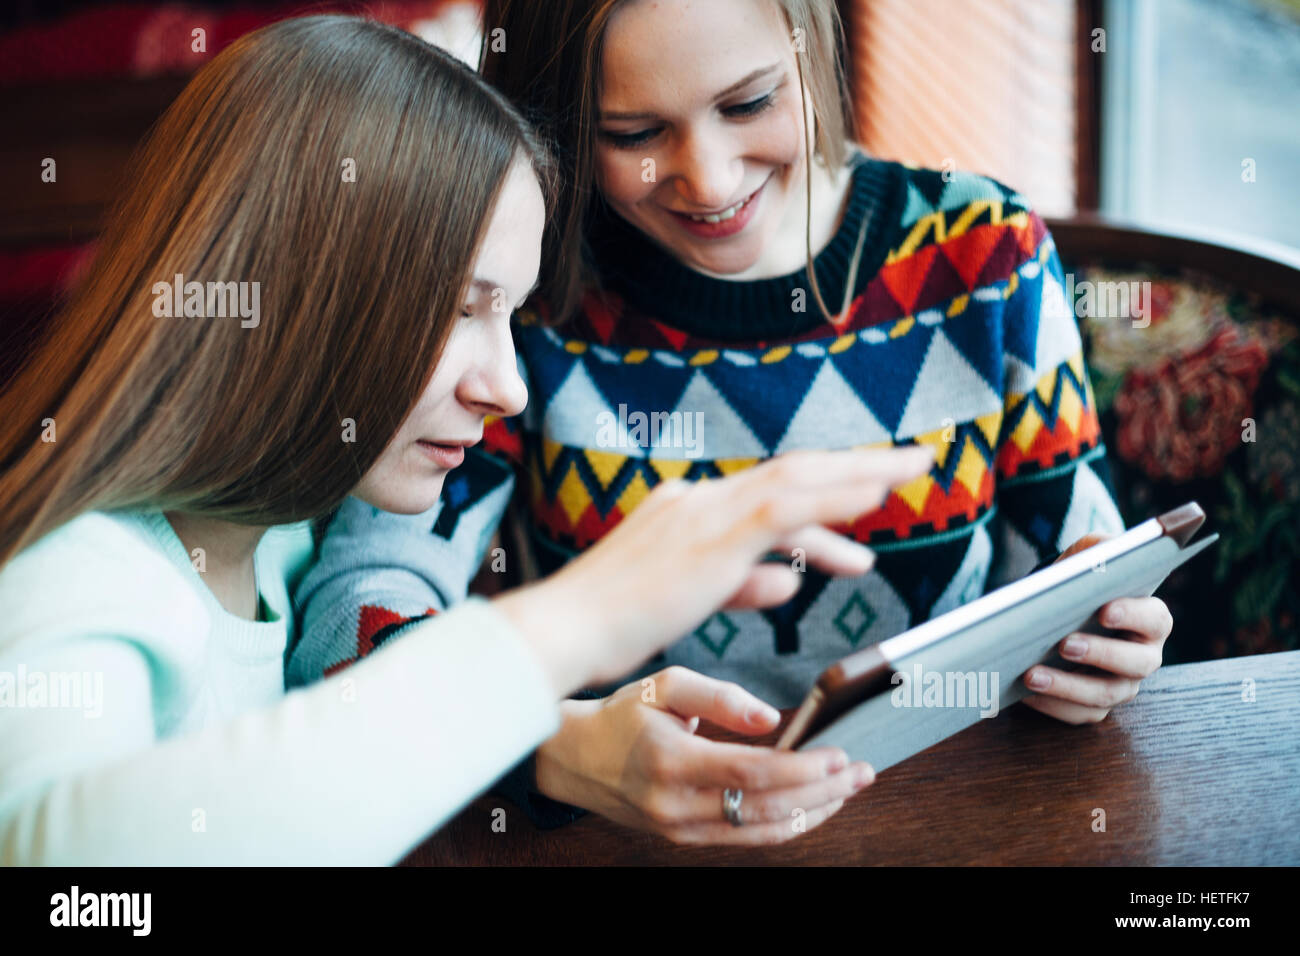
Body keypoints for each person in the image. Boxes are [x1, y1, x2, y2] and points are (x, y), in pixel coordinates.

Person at [0, 13, 933, 865]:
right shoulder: (77, 576)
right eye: (460, 308)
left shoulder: (289, 534)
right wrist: (579, 621)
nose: (510, 388)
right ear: (284, 293)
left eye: (513, 315)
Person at [287, 0, 1174, 843]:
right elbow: (350, 614)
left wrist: (1107, 636)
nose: (709, 181)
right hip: (623, 841)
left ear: (812, 40)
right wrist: (546, 746)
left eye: (749, 103)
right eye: (631, 134)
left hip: (962, 817)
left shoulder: (986, 255)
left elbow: (1077, 556)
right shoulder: (530, 292)